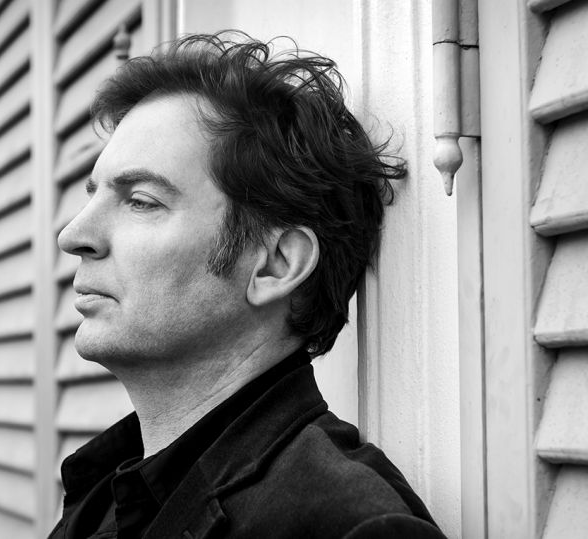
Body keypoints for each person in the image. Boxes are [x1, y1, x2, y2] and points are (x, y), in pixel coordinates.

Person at [51, 32, 445, 539]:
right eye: (93, 195)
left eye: (141, 201)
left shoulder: (347, 527)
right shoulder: (106, 497)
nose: (73, 235)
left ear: (275, 265)